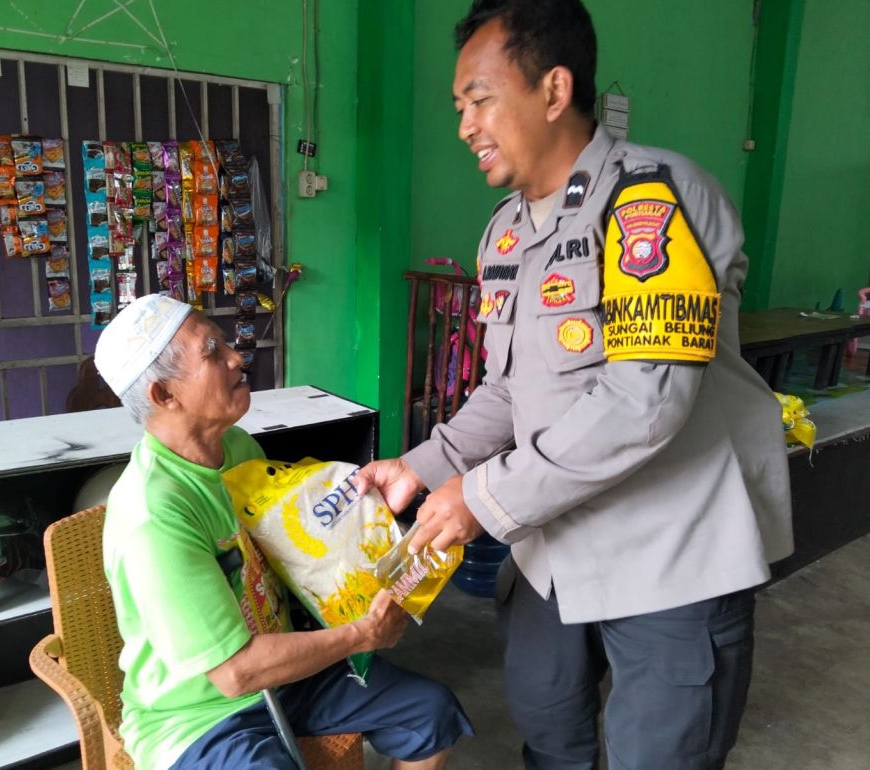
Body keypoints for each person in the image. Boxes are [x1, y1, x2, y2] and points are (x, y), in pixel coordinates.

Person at [356, 1, 793, 768]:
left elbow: (645, 401)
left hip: (669, 552)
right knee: (550, 733)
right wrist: (421, 468)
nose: (466, 126)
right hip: (552, 549)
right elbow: (508, 388)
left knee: (660, 755)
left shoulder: (652, 199)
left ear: (554, 90)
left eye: (480, 100)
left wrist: (480, 497)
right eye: (459, 108)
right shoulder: (505, 230)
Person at [93, 294, 472, 770]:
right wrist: (362, 634)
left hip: (284, 675)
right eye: (212, 351)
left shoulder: (235, 446)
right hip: (198, 715)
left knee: (430, 714)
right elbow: (233, 672)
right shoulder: (153, 514)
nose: (236, 357)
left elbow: (286, 548)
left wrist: (365, 538)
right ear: (165, 395)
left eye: (224, 343)